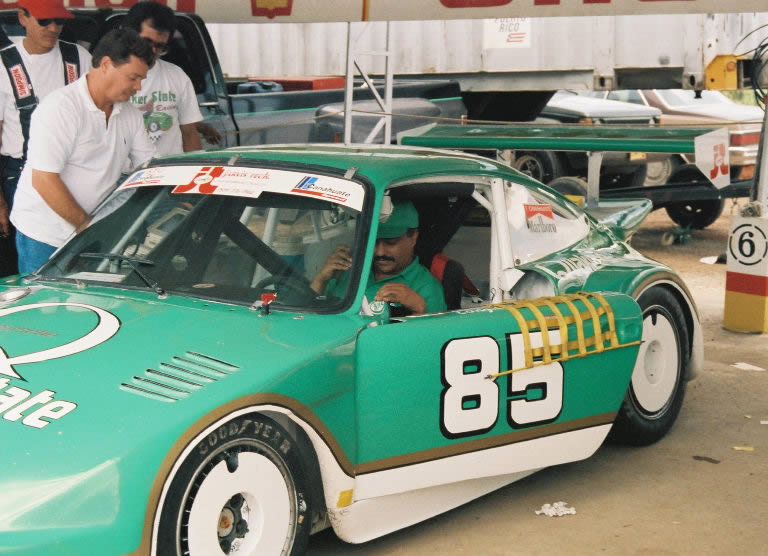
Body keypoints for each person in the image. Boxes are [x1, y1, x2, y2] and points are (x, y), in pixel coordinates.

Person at [10, 28, 155, 273]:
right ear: (106, 64)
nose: (138, 87)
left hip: (92, 232)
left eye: (142, 79)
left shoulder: (129, 114)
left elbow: (150, 166)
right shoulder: (60, 108)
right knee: (47, 298)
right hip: (46, 235)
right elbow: (44, 179)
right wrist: (88, 228)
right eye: (133, 77)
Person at [0, 0, 91, 276]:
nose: (53, 28)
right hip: (20, 173)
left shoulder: (78, 58)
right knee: (31, 263)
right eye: (44, 21)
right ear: (22, 17)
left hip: (76, 171)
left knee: (79, 262)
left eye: (59, 21)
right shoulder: (4, 63)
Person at [311, 200, 447, 315]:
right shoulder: (349, 270)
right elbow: (308, 314)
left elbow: (430, 337)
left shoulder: (426, 289)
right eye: (373, 242)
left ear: (413, 238)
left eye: (390, 242)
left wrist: (420, 311)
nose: (380, 252)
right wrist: (321, 279)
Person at [122, 1, 218, 155]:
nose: (153, 50)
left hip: (168, 168)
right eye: (146, 41)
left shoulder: (177, 76)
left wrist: (192, 167)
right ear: (129, 35)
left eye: (160, 46)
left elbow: (189, 133)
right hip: (126, 170)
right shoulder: (109, 76)